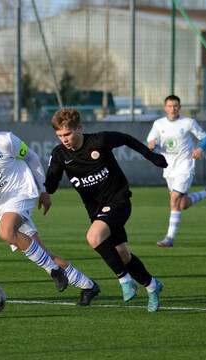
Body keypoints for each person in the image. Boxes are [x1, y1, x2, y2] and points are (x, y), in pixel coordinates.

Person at [0, 101, 100, 306]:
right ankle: (88, 286)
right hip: (0, 206)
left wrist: (44, 190)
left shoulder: (5, 140)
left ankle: (54, 271)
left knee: (5, 233)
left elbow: (31, 158)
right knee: (42, 252)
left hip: (22, 191)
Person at [45, 107, 167, 312]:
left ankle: (125, 282)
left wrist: (152, 156)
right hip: (96, 211)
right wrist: (39, 186)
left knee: (94, 237)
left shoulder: (99, 141)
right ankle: (153, 286)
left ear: (79, 128)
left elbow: (127, 139)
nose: (64, 139)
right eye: (60, 136)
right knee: (124, 256)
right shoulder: (59, 154)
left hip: (119, 200)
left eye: (68, 134)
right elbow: (51, 185)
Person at [147, 95, 206, 248]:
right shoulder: (158, 124)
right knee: (183, 204)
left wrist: (200, 149)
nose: (173, 109)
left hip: (185, 166)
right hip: (168, 168)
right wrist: (152, 145)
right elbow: (151, 144)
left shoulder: (188, 123)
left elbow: (205, 138)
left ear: (180, 107)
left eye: (175, 106)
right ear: (165, 108)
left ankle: (169, 238)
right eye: (170, 106)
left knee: (174, 199)